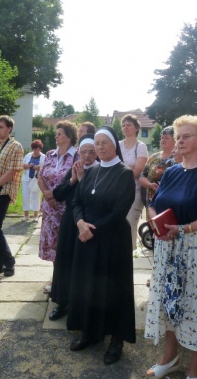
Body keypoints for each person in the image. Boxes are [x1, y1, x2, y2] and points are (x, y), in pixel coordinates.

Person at [144, 115, 197, 379]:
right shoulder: (171, 171)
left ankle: (195, 368)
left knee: (195, 307)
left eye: (186, 136)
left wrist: (183, 229)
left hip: (196, 249)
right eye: (178, 136)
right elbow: (153, 202)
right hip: (167, 246)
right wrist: (156, 222)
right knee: (169, 303)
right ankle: (170, 358)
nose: (179, 141)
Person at [66, 126, 135, 365]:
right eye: (97, 144)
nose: (101, 147)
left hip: (112, 240)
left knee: (114, 289)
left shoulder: (124, 173)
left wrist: (90, 230)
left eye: (105, 142)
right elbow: (77, 202)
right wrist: (80, 223)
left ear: (114, 144)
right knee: (90, 286)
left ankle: (116, 339)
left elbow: (119, 212)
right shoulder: (91, 169)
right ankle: (91, 332)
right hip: (87, 237)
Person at [49, 134, 98, 321]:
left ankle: (81, 305)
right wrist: (73, 180)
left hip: (89, 222)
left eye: (91, 152)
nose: (87, 156)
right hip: (70, 222)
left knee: (83, 265)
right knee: (65, 262)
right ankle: (62, 302)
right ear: (79, 153)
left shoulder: (100, 171)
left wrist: (83, 179)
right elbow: (58, 194)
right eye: (83, 152)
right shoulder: (74, 169)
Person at [38, 120, 78, 293]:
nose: (56, 136)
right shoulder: (50, 154)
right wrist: (48, 194)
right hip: (50, 208)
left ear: (69, 137)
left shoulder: (76, 156)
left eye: (60, 133)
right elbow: (40, 177)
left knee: (64, 245)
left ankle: (67, 281)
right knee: (53, 246)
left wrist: (56, 196)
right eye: (57, 133)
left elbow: (75, 181)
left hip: (65, 208)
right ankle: (56, 281)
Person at [0, 115, 23, 278]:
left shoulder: (16, 146)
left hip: (5, 190)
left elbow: (13, 171)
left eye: (1, 127)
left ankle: (9, 262)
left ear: (9, 129)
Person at [119, 113, 148, 249]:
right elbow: (111, 167)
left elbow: (138, 172)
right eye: (123, 125)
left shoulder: (140, 146)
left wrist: (122, 169)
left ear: (136, 128)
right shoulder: (118, 145)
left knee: (130, 223)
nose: (125, 127)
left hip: (134, 191)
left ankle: (128, 256)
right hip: (117, 192)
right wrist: (129, 168)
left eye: (129, 125)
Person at [139, 126, 176, 208]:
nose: (163, 140)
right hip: (151, 201)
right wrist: (150, 185)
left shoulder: (178, 158)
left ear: (175, 140)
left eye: (166, 138)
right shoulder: (153, 157)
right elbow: (142, 177)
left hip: (170, 202)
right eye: (162, 138)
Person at [21, 139, 45, 222]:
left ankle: (35, 215)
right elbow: (22, 166)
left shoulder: (43, 157)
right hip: (27, 179)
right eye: (34, 149)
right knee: (25, 196)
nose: (36, 151)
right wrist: (29, 165)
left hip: (37, 179)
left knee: (36, 196)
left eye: (37, 149)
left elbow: (46, 168)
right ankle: (26, 215)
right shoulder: (28, 155)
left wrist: (39, 168)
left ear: (40, 149)